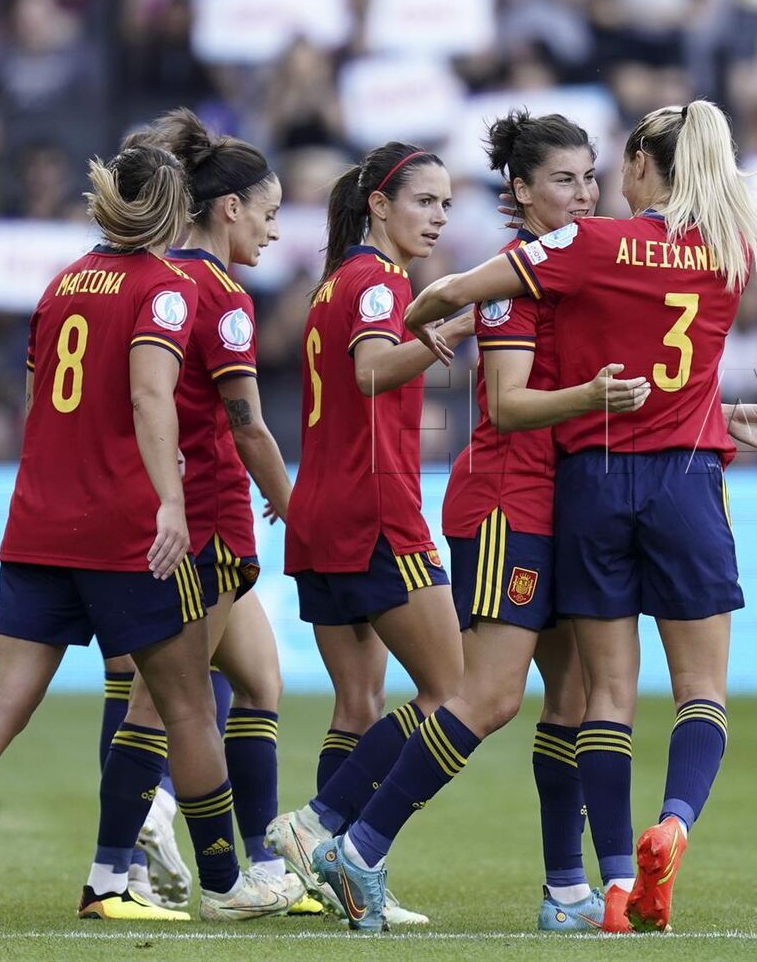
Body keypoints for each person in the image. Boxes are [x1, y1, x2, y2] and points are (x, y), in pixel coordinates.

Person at [0, 146, 288, 923]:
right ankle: (227, 885)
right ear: (172, 205)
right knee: (189, 707)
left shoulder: (62, 281)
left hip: (37, 520)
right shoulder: (166, 290)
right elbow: (148, 397)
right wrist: (170, 504)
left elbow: (40, 402)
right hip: (119, 532)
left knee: (1, 700)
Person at [395, 100, 757, 934]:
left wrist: (425, 316)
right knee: (701, 691)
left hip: (591, 480)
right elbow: (684, 358)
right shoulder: (733, 250)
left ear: (640, 164)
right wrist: (719, 416)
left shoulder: (591, 245)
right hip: (685, 477)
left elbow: (463, 290)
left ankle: (607, 893)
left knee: (602, 693)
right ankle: (672, 824)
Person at [78, 111, 313, 918]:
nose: (275, 232)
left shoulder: (155, 278)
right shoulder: (221, 297)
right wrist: (295, 509)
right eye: (270, 214)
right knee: (164, 704)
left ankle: (255, 864)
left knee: (257, 682)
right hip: (207, 521)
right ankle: (124, 860)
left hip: (157, 510)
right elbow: (246, 425)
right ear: (229, 209)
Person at [265, 142, 474, 928]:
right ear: (379, 205)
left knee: (358, 701)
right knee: (455, 694)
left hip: (320, 513)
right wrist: (450, 332)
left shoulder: (331, 287)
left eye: (447, 204)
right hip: (375, 515)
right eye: (425, 200)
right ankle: (322, 828)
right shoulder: (382, 282)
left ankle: (334, 872)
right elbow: (371, 371)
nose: (439, 216)